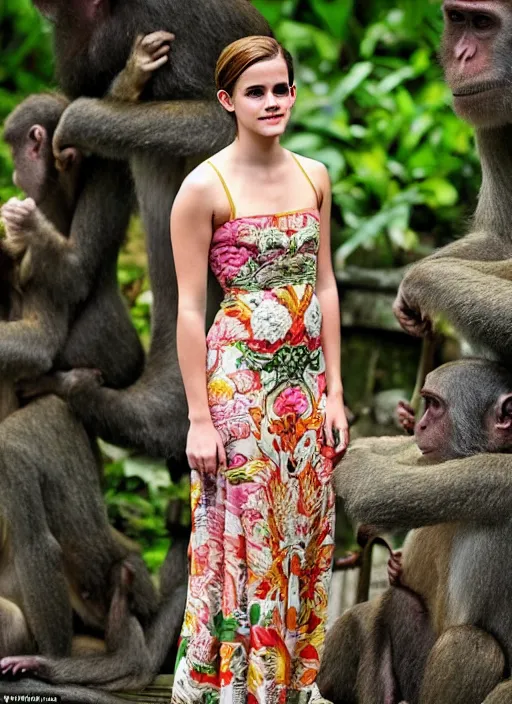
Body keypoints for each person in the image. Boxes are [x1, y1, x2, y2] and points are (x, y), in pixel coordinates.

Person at [170, 35, 349, 704]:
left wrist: (334, 392)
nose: (271, 102)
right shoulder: (202, 187)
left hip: (303, 388)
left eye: (280, 88)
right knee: (246, 535)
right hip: (237, 388)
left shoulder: (315, 175)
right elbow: (189, 310)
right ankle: (238, 688)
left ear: (294, 93)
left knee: (301, 526)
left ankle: (292, 687)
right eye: (255, 92)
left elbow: (325, 282)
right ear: (228, 101)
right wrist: (197, 417)